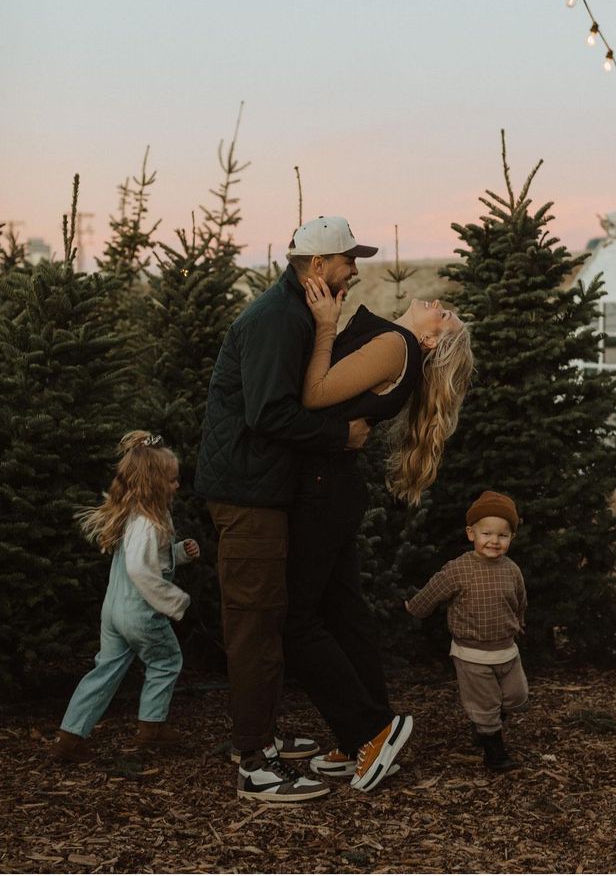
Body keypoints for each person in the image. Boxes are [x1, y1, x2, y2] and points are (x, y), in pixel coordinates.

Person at [194, 216, 375, 803]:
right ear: (317, 266)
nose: (355, 270)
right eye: (349, 260)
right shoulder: (277, 319)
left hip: (263, 490)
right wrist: (339, 437)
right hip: (249, 495)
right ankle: (255, 763)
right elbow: (269, 414)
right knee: (255, 623)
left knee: (269, 618)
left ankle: (263, 739)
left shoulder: (297, 313)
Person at [283, 267, 474, 793]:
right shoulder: (396, 344)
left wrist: (325, 325)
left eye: (448, 314)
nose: (441, 302)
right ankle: (357, 737)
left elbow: (314, 395)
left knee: (294, 619)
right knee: (343, 615)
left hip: (323, 493)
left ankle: (371, 730)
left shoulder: (398, 344)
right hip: (335, 490)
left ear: (433, 338)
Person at [51, 431, 200, 763]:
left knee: (104, 670)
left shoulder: (135, 515)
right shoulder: (149, 523)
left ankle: (70, 736)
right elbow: (141, 570)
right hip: (139, 612)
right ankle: (151, 728)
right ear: (153, 482)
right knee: (166, 661)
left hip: (113, 609)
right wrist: (175, 600)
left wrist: (181, 553)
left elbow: (150, 559)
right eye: (173, 480)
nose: (177, 486)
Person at [405, 490, 528, 772]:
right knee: (485, 705)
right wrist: (414, 608)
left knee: (516, 697)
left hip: (506, 650)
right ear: (471, 533)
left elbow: (520, 600)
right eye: (487, 534)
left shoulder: (512, 570)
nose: (494, 541)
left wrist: (519, 622)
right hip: (471, 653)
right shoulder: (459, 569)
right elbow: (433, 591)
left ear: (511, 538)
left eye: (502, 536)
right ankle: (494, 752)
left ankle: (487, 726)